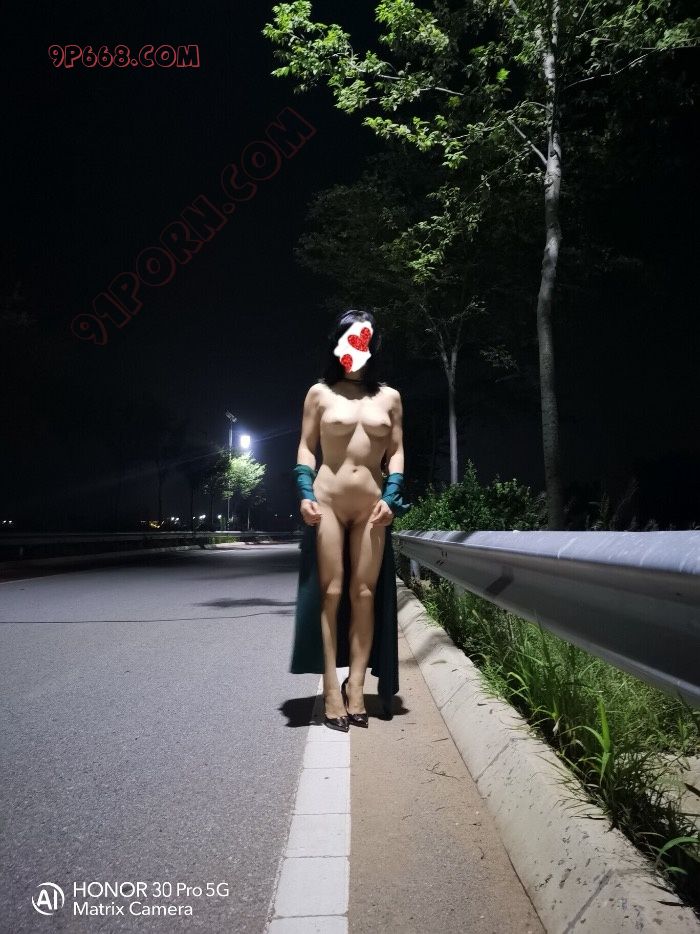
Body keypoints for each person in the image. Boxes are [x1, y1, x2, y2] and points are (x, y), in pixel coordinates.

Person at [290, 309, 410, 731]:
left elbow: (396, 451)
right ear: (337, 343)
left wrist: (392, 496)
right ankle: (330, 688)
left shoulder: (390, 398)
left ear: (373, 345)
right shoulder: (320, 393)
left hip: (373, 506)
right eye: (349, 338)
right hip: (327, 501)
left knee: (364, 594)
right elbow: (306, 447)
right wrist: (305, 493)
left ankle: (355, 686)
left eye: (364, 340)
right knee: (332, 592)